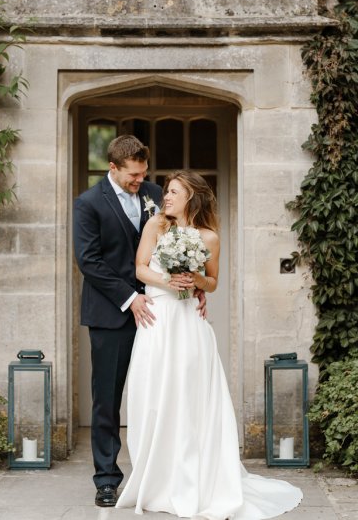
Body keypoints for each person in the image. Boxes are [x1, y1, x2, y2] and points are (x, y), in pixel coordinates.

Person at [116, 170, 303, 520]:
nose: (165, 197)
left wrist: (197, 280)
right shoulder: (156, 226)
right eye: (166, 192)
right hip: (157, 321)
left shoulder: (210, 237)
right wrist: (168, 281)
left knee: (189, 400)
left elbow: (213, 281)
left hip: (189, 324)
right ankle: (155, 481)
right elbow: (140, 268)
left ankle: (192, 480)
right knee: (152, 397)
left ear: (192, 197)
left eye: (173, 192)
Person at [73, 137, 205, 507]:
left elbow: (178, 237)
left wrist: (192, 283)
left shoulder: (153, 193)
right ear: (112, 167)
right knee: (107, 399)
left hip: (161, 312)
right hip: (112, 314)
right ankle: (107, 479)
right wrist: (130, 298)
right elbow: (89, 261)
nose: (141, 180)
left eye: (144, 173)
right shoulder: (87, 204)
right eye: (134, 174)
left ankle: (162, 474)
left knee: (162, 393)